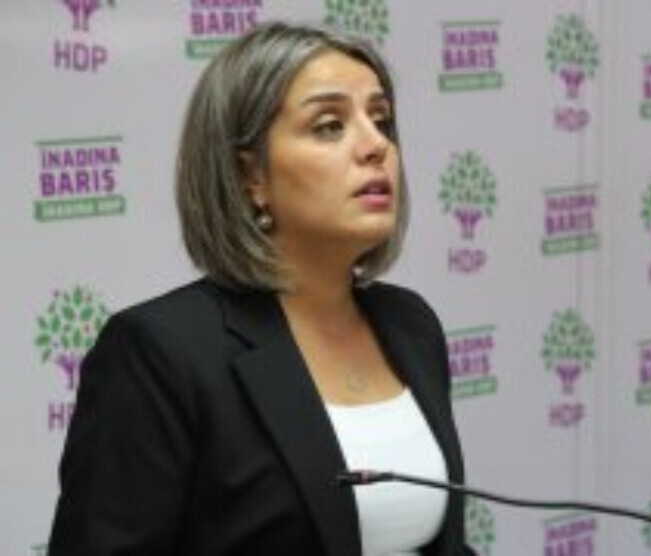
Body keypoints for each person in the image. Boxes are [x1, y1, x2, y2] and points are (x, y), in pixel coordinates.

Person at [48, 20, 473, 556]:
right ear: (250, 176)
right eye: (329, 126)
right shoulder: (161, 353)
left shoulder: (411, 324)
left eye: (381, 120)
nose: (376, 146)